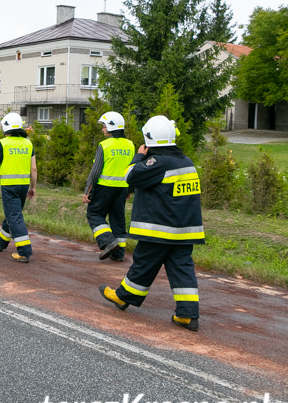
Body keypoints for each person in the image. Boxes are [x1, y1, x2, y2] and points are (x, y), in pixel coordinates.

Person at [99, 115, 204, 331]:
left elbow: (130, 175)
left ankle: (122, 297)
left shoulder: (158, 162)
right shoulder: (186, 162)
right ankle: (187, 314)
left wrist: (139, 156)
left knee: (144, 263)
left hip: (160, 230)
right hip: (185, 231)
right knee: (182, 268)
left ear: (150, 139)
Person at [0, 112, 37, 263]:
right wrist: (33, 187)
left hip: (9, 187)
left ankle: (24, 251)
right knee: (13, 213)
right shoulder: (28, 143)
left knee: (14, 216)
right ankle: (1, 241)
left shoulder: (3, 143)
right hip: (24, 186)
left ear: (6, 127)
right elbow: (33, 169)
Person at [82, 111, 134, 262]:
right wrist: (129, 189)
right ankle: (118, 254)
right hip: (122, 189)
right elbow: (132, 168)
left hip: (104, 188)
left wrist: (87, 191)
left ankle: (107, 241)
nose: (102, 129)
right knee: (118, 219)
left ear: (111, 127)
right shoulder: (130, 145)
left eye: (104, 126)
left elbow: (96, 171)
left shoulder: (104, 145)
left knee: (94, 214)